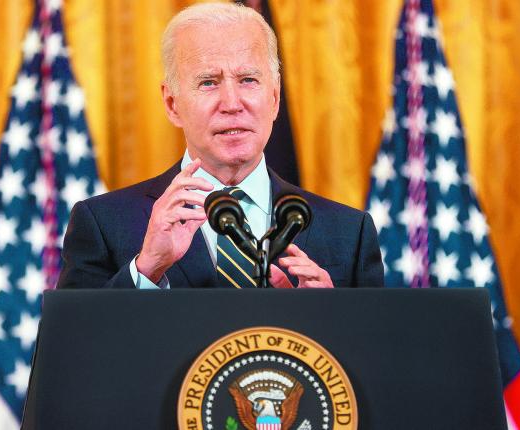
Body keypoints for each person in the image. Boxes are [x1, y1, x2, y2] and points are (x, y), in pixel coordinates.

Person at [56, 2, 383, 290]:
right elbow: (73, 355)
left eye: (248, 80)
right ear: (172, 103)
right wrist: (147, 270)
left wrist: (331, 319)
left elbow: (375, 358)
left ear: (274, 97)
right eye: (208, 82)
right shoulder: (103, 224)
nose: (232, 103)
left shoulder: (349, 233)